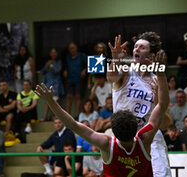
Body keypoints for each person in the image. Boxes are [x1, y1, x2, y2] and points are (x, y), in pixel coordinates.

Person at [34, 50, 169, 177]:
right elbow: (162, 105)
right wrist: (161, 73)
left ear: (114, 131)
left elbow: (72, 124)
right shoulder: (144, 139)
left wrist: (50, 101)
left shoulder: (106, 143)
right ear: (136, 127)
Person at [107, 33, 171, 177]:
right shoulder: (125, 72)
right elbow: (111, 77)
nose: (136, 49)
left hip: (150, 136)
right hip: (125, 136)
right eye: (136, 46)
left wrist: (156, 99)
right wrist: (116, 58)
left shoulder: (158, 79)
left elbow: (165, 124)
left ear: (152, 55)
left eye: (142, 48)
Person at [64, 42, 87, 117]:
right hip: (70, 79)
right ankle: (68, 115)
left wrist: (85, 70)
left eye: (73, 48)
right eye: (70, 48)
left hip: (79, 79)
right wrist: (65, 71)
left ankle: (77, 115)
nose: (72, 50)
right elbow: (65, 66)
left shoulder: (81, 56)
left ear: (76, 48)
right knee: (69, 96)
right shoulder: (67, 57)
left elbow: (89, 64)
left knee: (77, 96)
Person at [41, 48, 64, 121]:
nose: (53, 54)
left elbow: (57, 71)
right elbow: (42, 72)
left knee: (55, 101)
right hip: (47, 84)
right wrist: (47, 65)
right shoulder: (48, 62)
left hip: (56, 84)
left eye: (55, 53)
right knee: (47, 101)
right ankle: (45, 117)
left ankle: (58, 117)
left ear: (56, 54)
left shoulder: (59, 62)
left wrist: (52, 66)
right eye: (52, 53)